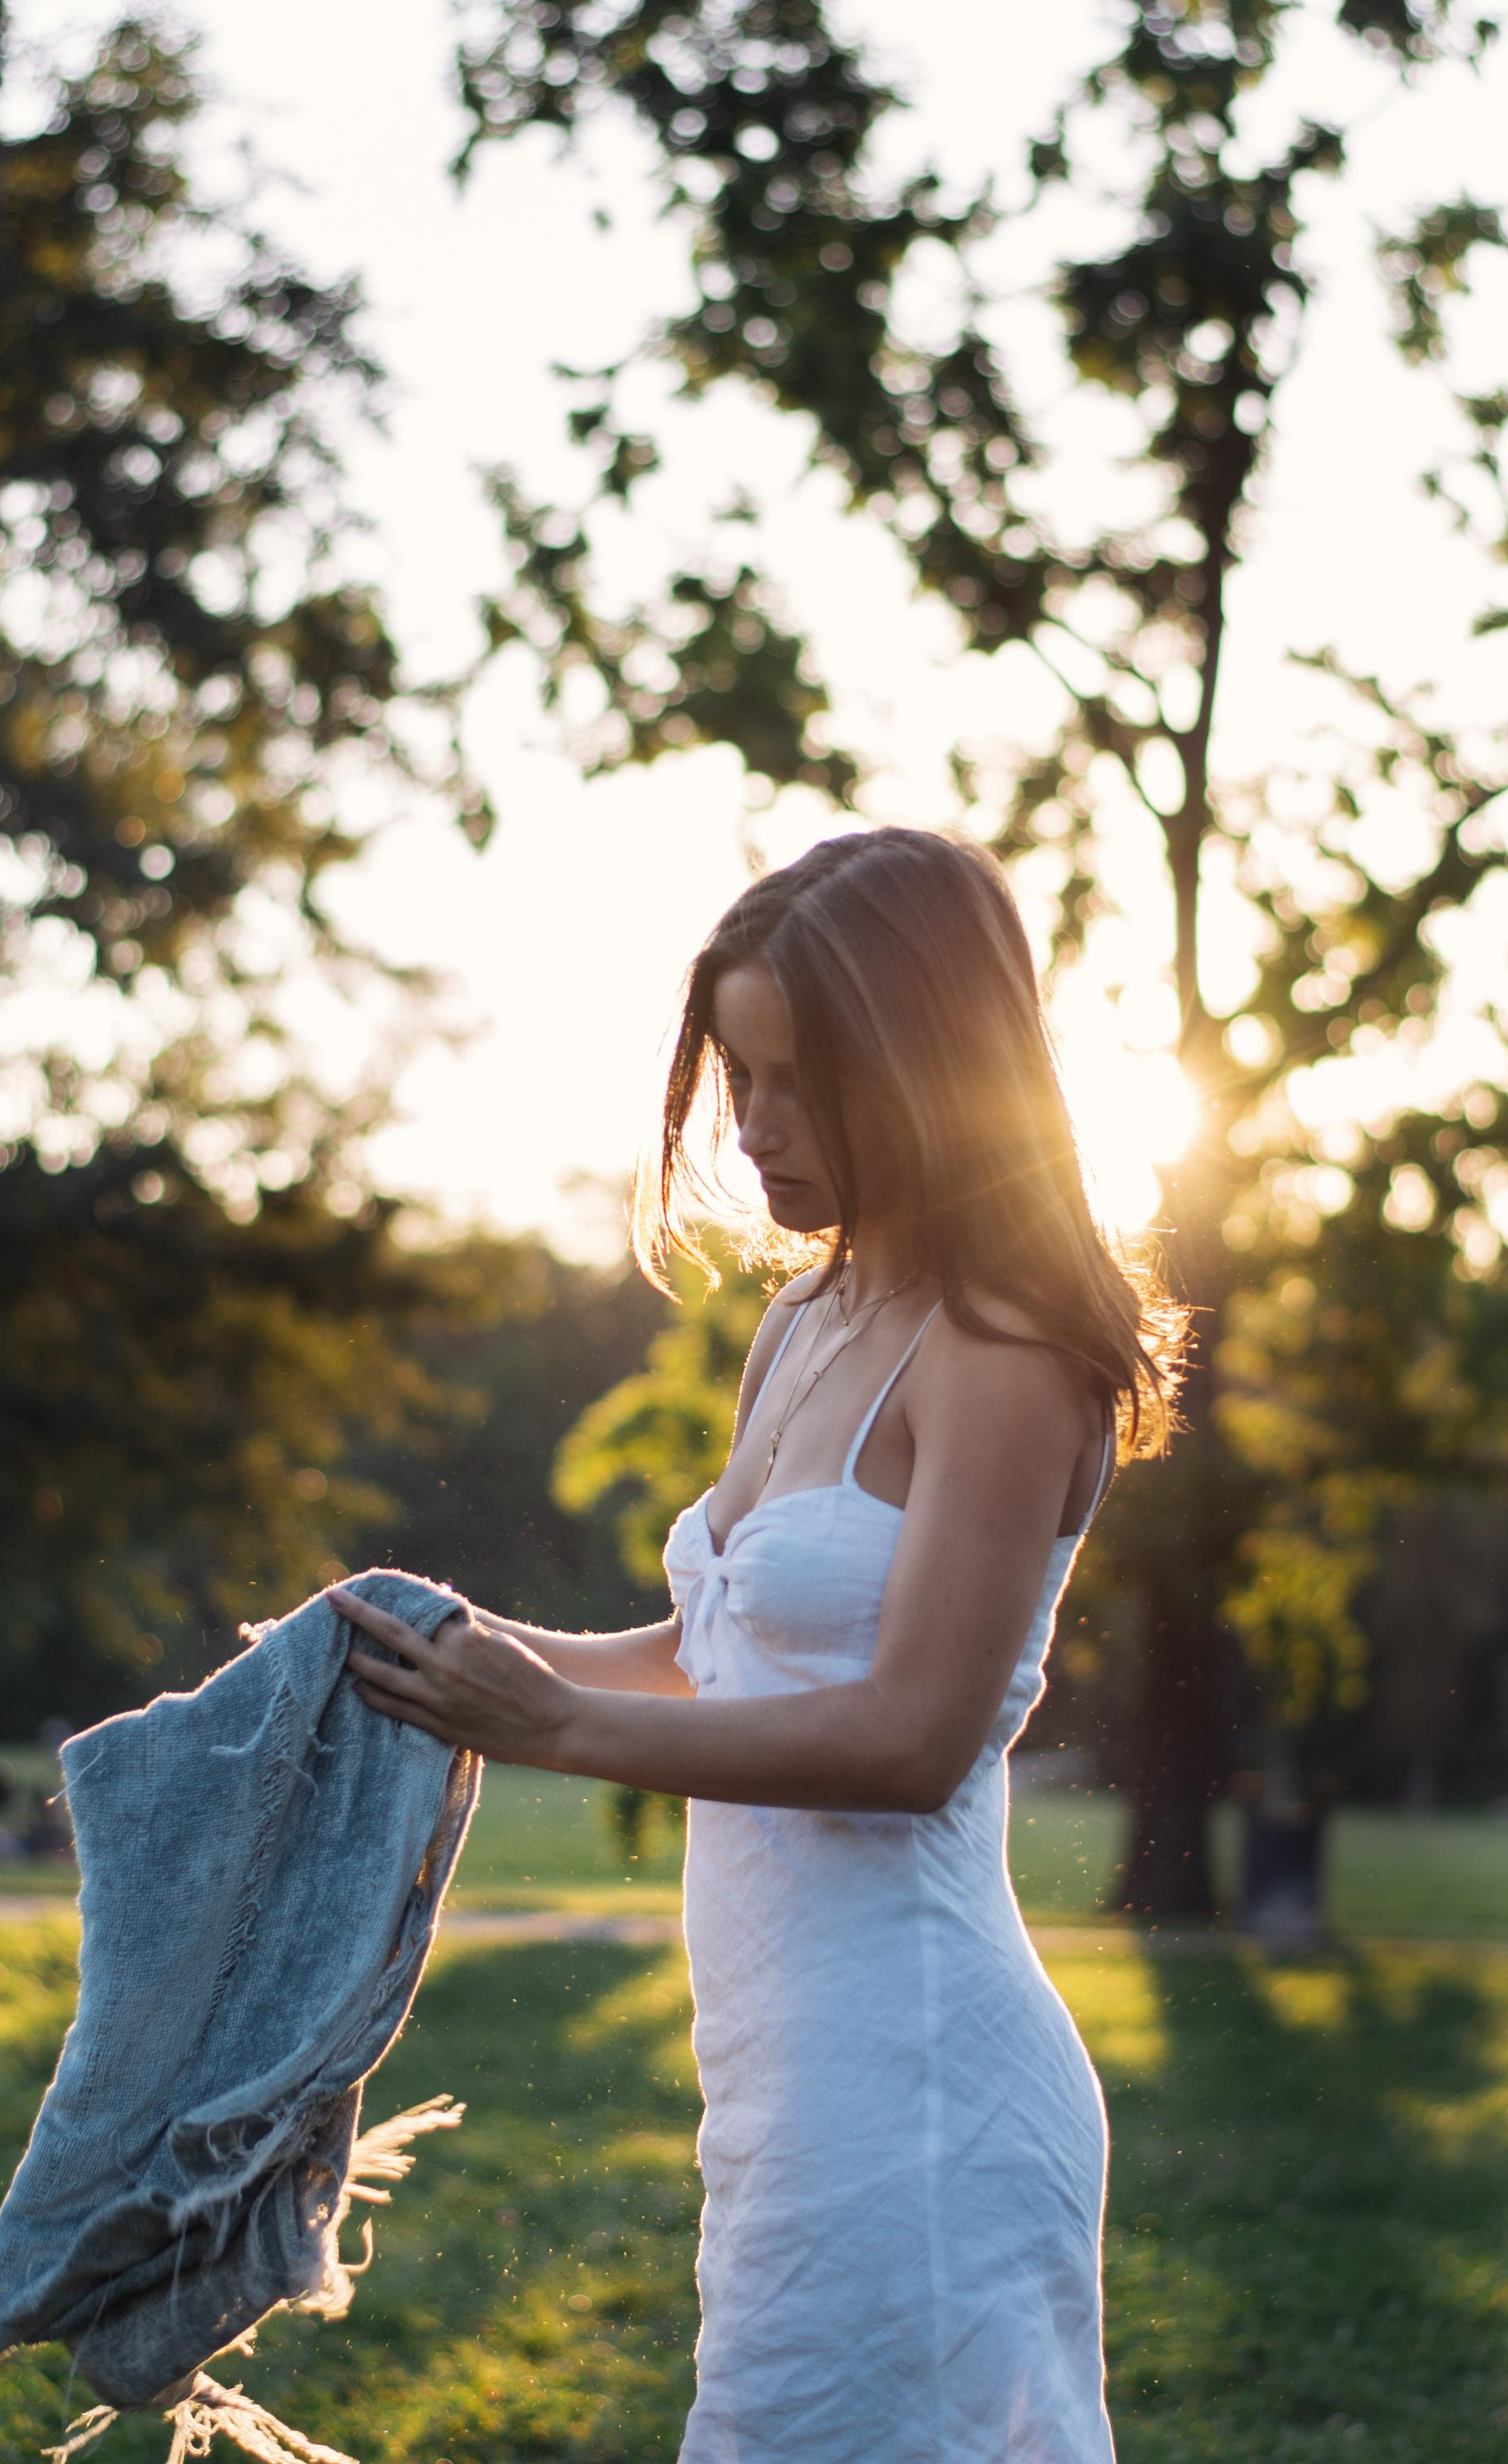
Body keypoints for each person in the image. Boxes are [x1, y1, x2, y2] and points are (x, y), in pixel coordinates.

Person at [333, 825, 1185, 2462]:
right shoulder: (807, 1317)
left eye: (806, 1082)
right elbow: (705, 1645)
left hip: (920, 2086)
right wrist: (440, 1646)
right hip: (785, 2083)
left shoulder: (1001, 1352)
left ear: (933, 1069)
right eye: (739, 1073)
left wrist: (548, 1729)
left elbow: (908, 1737)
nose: (758, 1129)